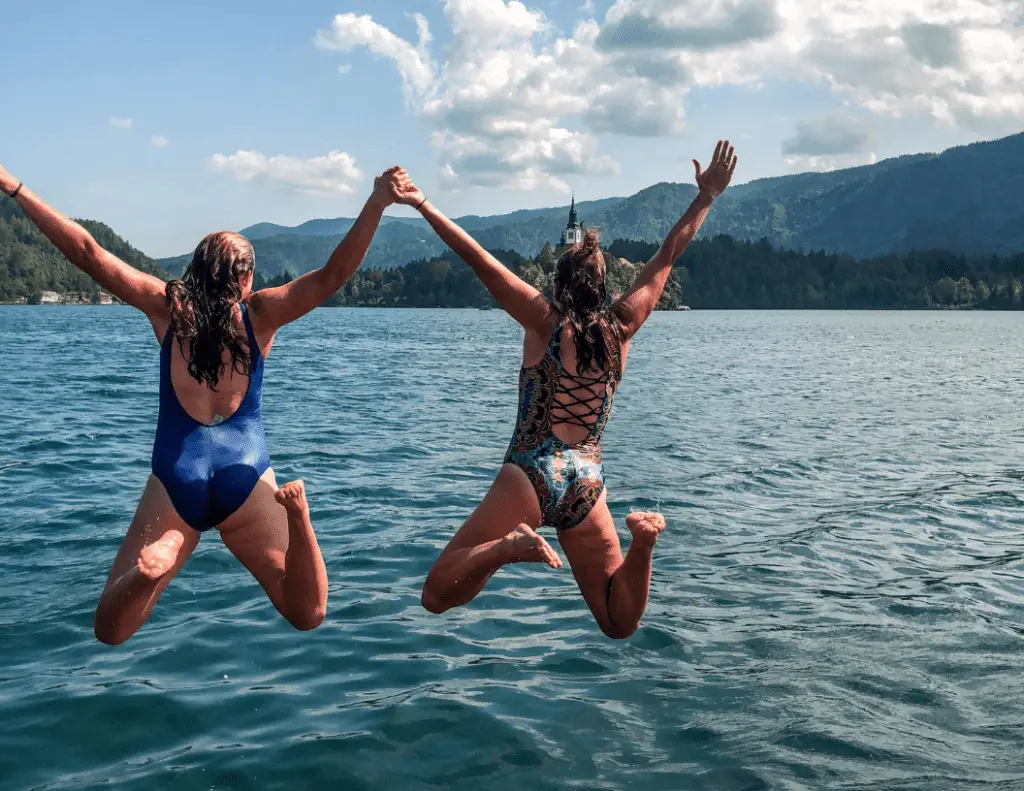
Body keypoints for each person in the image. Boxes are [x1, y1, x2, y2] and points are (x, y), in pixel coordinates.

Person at [0, 162, 402, 644]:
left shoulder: (166, 307)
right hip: (248, 476)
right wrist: (377, 201)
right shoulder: (263, 313)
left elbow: (87, 252)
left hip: (177, 475)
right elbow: (335, 272)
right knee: (308, 610)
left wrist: (15, 187)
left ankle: (152, 571)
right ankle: (299, 517)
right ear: (246, 276)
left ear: (195, 269)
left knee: (111, 628)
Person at [389, 142, 737, 639]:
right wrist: (706, 198)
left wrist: (422, 204)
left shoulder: (544, 321)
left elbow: (479, 260)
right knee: (618, 622)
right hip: (586, 482)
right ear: (604, 285)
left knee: (435, 594)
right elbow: (668, 253)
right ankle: (643, 544)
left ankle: (508, 548)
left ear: (559, 285)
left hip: (532, 473)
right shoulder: (624, 328)